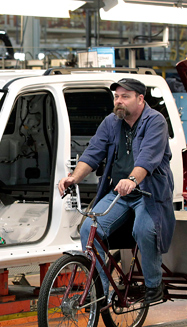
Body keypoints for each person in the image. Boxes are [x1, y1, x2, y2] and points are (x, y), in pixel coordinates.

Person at [58, 78, 175, 305]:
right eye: (116, 97)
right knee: (88, 230)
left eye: (125, 97)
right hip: (119, 194)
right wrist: (74, 177)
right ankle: (101, 289)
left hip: (149, 193)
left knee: (144, 230)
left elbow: (148, 158)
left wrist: (132, 179)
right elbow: (92, 153)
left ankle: (154, 284)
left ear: (140, 99)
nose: (119, 101)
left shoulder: (155, 121)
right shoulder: (111, 122)